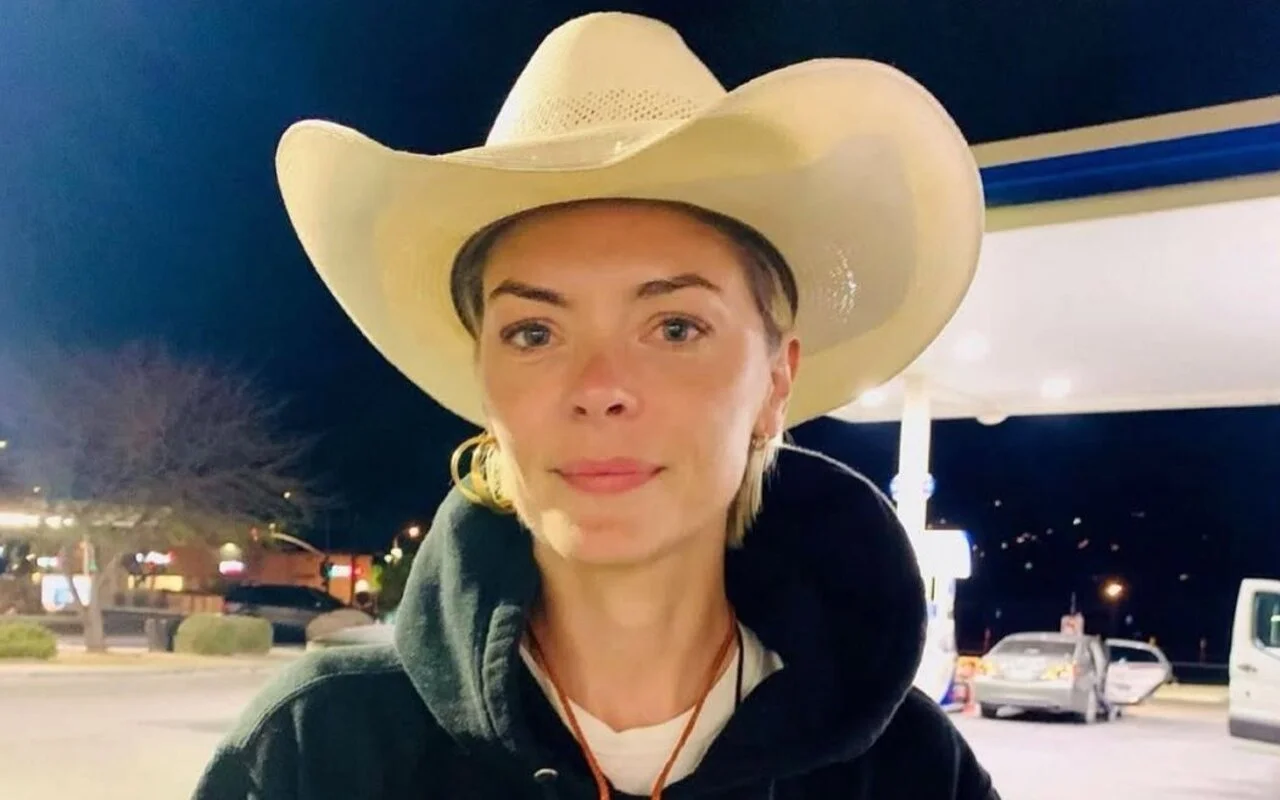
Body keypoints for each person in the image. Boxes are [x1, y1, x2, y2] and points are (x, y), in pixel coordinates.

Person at [195, 11, 992, 799]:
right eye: (534, 332)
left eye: (675, 327)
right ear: (484, 384)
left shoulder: (913, 774)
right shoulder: (317, 750)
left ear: (775, 383)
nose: (599, 388)